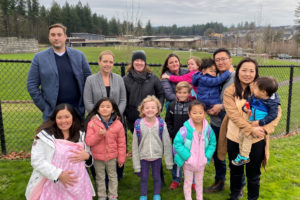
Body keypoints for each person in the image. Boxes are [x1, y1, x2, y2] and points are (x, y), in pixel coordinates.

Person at [218, 58, 281, 200]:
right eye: (244, 70)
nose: (247, 74)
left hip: (257, 139)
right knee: (235, 170)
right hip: (234, 136)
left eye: (251, 71)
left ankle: (253, 198)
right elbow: (233, 115)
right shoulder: (230, 91)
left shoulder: (264, 87)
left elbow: (277, 112)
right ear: (237, 71)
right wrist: (250, 129)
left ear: (256, 73)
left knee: (253, 174)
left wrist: (264, 129)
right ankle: (234, 195)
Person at [25, 103, 95, 200]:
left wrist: (88, 157)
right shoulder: (45, 137)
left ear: (73, 118)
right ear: (55, 119)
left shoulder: (81, 135)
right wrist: (58, 174)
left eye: (67, 117)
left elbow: (88, 159)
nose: (63, 121)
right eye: (59, 117)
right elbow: (37, 161)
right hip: (54, 182)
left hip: (78, 184)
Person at [27, 23, 91, 121]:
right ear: (49, 37)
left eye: (59, 34)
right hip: (52, 114)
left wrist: (83, 105)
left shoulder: (79, 56)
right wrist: (46, 108)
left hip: (76, 112)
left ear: (65, 37)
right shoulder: (39, 58)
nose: (56, 38)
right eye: (53, 35)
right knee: (53, 137)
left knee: (77, 137)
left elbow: (88, 81)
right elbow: (31, 85)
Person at [204, 48, 236, 193]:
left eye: (224, 59)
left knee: (235, 156)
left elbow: (242, 100)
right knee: (218, 155)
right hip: (216, 123)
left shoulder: (237, 77)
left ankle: (238, 186)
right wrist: (207, 107)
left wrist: (221, 106)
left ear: (230, 60)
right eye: (218, 60)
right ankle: (219, 182)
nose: (221, 62)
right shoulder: (214, 76)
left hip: (233, 125)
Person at [232, 76, 280, 166]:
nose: (253, 89)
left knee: (247, 136)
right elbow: (246, 105)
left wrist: (260, 122)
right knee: (242, 134)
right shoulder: (254, 96)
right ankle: (242, 153)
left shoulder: (272, 102)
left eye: (255, 88)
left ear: (263, 92)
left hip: (259, 125)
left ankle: (244, 156)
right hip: (251, 121)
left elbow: (273, 115)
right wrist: (245, 109)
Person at [132, 95, 173, 200]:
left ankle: (156, 195)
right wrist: (136, 166)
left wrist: (169, 162)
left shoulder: (161, 124)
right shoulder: (138, 125)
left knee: (156, 177)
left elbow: (167, 144)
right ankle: (143, 195)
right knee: (144, 178)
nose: (150, 110)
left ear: (158, 110)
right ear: (142, 110)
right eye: (147, 108)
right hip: (143, 157)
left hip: (157, 156)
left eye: (153, 107)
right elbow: (134, 147)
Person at [173, 101, 216, 200]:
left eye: (200, 113)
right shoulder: (184, 130)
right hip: (188, 163)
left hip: (201, 163)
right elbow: (177, 143)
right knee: (188, 183)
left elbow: (212, 143)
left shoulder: (208, 130)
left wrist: (206, 156)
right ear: (189, 114)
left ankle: (199, 198)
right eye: (194, 113)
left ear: (205, 114)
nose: (198, 116)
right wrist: (187, 157)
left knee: (199, 183)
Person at [85, 98, 126, 200]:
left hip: (112, 157)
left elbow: (122, 143)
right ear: (98, 109)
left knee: (113, 176)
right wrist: (98, 135)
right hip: (97, 157)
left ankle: (113, 196)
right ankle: (102, 196)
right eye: (102, 106)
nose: (105, 109)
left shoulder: (118, 124)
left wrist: (121, 158)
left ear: (112, 110)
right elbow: (89, 141)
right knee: (100, 177)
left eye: (108, 107)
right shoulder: (92, 123)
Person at [123, 50, 164, 133]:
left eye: (142, 61)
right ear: (132, 62)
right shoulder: (125, 80)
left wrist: (158, 109)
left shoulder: (153, 78)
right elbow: (123, 98)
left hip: (151, 117)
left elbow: (161, 94)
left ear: (145, 63)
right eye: (136, 60)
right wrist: (128, 113)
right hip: (133, 118)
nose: (139, 63)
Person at [165, 81, 192, 190]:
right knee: (177, 159)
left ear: (189, 93)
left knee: (190, 159)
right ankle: (176, 179)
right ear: (176, 93)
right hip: (177, 139)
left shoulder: (192, 106)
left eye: (185, 92)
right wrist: (172, 133)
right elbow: (168, 121)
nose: (182, 95)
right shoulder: (171, 105)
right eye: (180, 92)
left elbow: (196, 121)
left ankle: (192, 180)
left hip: (190, 139)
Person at [83, 50, 126, 115]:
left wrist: (117, 114)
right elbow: (88, 102)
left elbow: (123, 100)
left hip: (116, 120)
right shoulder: (90, 80)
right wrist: (99, 116)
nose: (108, 64)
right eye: (105, 61)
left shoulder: (119, 79)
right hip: (96, 119)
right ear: (99, 62)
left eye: (110, 62)